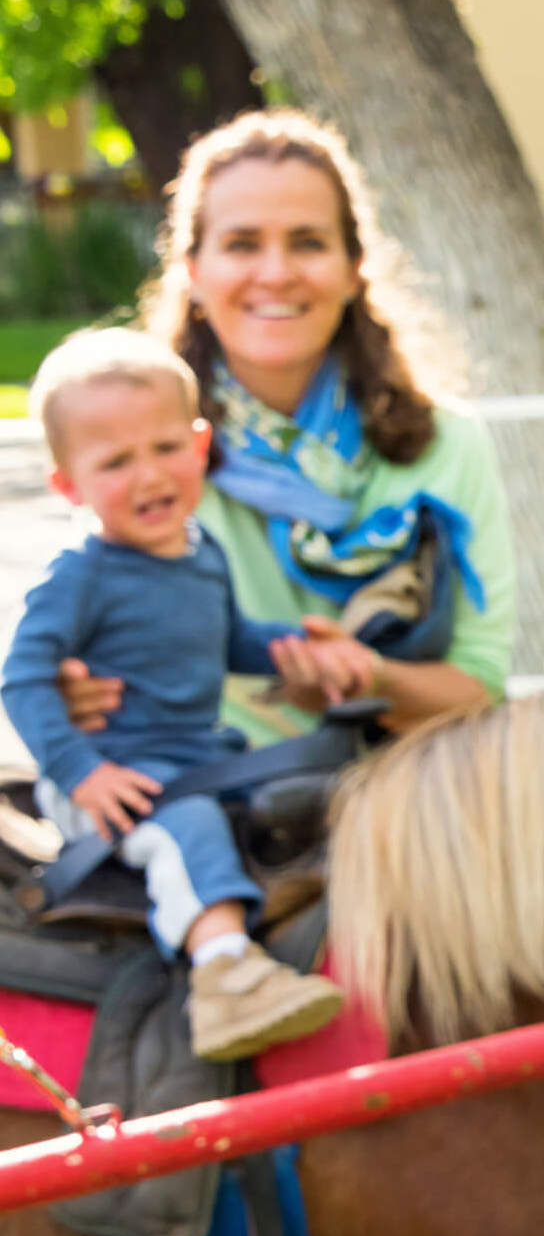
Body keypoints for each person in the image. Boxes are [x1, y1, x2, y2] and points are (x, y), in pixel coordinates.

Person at [55, 108, 516, 746]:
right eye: (242, 244)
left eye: (307, 241)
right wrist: (73, 692)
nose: (275, 273)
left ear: (356, 267)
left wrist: (372, 679)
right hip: (201, 803)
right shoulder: (141, 451)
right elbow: (89, 643)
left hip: (409, 809)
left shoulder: (448, 447)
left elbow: (480, 683)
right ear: (192, 271)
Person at [1, 328, 354, 1060]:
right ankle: (226, 977)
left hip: (197, 755)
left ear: (199, 445)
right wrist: (81, 771)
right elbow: (24, 676)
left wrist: (294, 647)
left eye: (164, 448)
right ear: (68, 484)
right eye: (116, 461)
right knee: (187, 825)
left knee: (311, 793)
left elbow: (226, 640)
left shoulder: (202, 551)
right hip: (117, 778)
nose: (149, 475)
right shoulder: (80, 576)